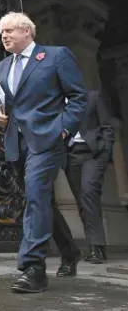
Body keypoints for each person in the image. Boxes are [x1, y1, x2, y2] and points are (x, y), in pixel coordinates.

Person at [0, 11, 87, 293]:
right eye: (2, 33)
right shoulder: (1, 68)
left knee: (35, 195)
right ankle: (70, 252)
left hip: (47, 139)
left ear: (28, 32)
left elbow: (78, 97)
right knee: (39, 199)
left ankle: (33, 269)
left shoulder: (56, 56)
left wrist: (64, 130)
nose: (5, 36)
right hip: (15, 143)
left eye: (10, 30)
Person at [60, 90, 114, 263]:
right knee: (82, 201)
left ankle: (96, 247)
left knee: (88, 192)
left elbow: (107, 127)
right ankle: (95, 246)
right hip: (71, 155)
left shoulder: (93, 97)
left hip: (94, 153)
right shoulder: (55, 104)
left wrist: (106, 151)